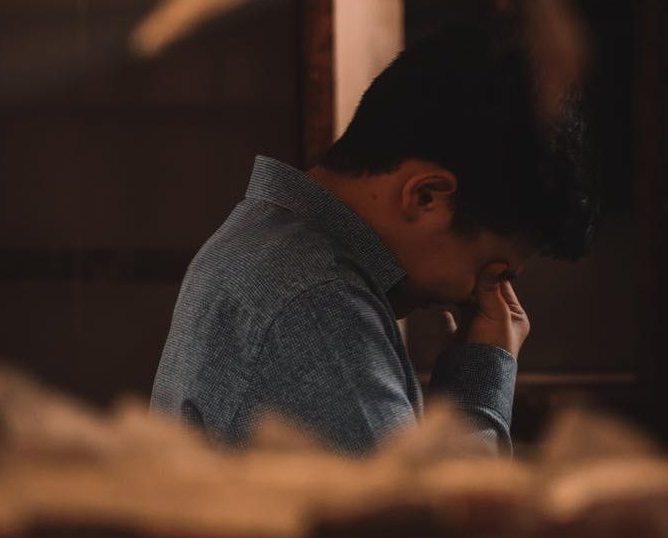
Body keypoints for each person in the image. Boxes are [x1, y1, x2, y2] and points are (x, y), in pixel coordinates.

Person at [150, 13, 596, 456]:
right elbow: (429, 504)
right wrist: (484, 373)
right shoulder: (317, 305)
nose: (481, 295)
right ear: (425, 196)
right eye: (492, 272)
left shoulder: (267, 241)